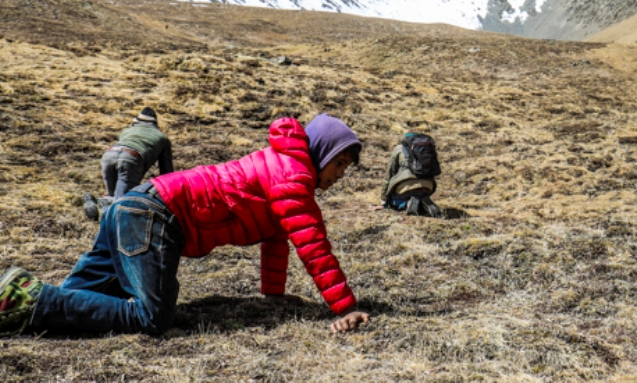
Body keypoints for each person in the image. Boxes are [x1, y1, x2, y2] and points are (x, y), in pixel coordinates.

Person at [0, 114, 370, 336]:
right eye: (339, 164)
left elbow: (278, 237)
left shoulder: (280, 166)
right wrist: (345, 308)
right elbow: (312, 245)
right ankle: (31, 296)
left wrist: (272, 293)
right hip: (156, 215)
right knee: (150, 316)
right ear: (321, 151)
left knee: (79, 302)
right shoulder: (292, 176)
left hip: (134, 205)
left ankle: (17, 304)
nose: (340, 175)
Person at [83, 107, 174, 221]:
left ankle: (99, 203)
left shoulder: (126, 131)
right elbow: (166, 173)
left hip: (108, 155)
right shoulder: (162, 138)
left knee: (114, 196)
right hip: (131, 159)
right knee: (122, 204)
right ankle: (105, 205)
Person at [380, 132, 442, 217]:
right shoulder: (427, 149)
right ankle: (423, 202)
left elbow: (389, 174)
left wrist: (384, 201)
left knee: (394, 202)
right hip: (428, 187)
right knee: (419, 195)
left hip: (406, 187)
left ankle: (406, 204)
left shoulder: (399, 148)